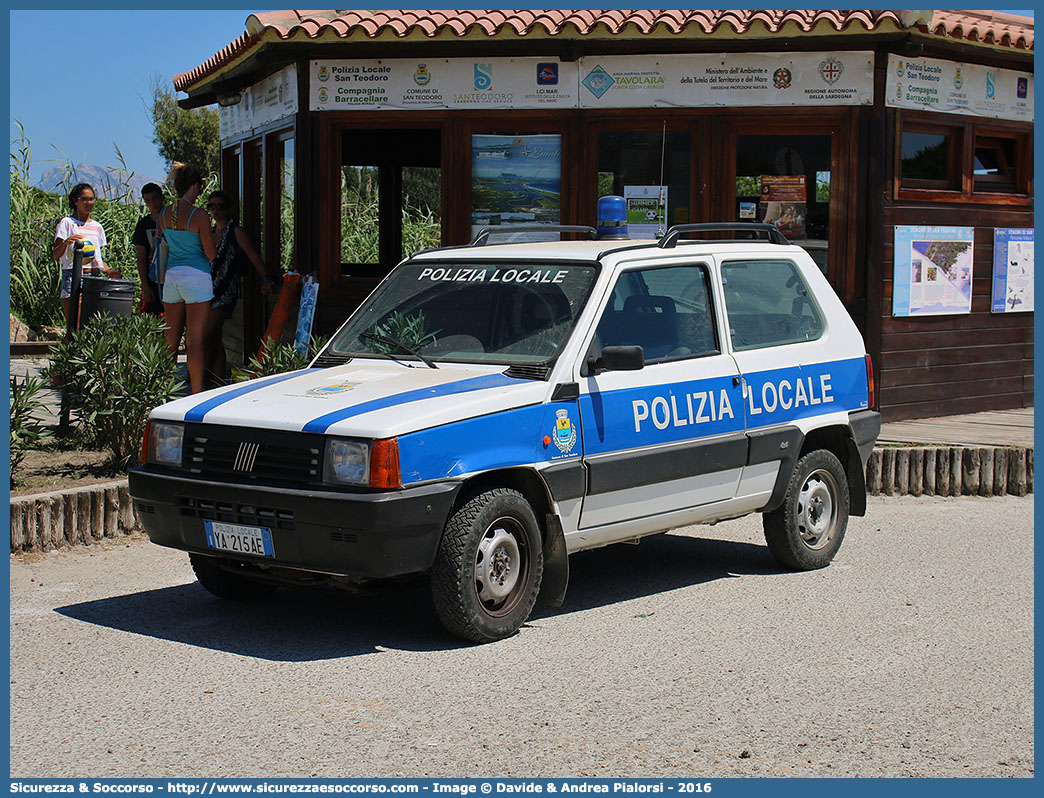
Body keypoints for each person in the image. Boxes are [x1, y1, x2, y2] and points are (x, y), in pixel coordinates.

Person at [205, 189, 277, 385]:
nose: (216, 211)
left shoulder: (235, 231)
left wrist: (266, 277)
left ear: (228, 209)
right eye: (212, 206)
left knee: (207, 333)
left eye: (220, 206)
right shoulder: (210, 233)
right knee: (215, 337)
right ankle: (218, 380)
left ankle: (209, 377)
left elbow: (253, 255)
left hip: (226, 290)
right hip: (208, 290)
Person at [160, 163, 218, 394]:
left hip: (172, 276)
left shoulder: (164, 213)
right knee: (195, 341)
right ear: (194, 186)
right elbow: (210, 253)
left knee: (170, 341)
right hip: (196, 276)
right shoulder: (199, 215)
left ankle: (163, 389)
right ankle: (195, 392)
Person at [52, 183, 120, 323]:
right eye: (84, 199)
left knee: (90, 323)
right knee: (75, 324)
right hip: (72, 276)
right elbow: (55, 255)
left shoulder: (97, 227)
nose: (88, 203)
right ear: (75, 201)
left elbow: (97, 259)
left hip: (93, 277)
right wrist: (66, 243)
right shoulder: (67, 223)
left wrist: (109, 271)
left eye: (91, 199)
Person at [132, 183, 166, 315]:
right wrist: (145, 286)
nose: (152, 203)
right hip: (153, 278)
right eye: (148, 200)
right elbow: (141, 257)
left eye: (155, 198)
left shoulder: (172, 220)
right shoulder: (143, 225)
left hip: (172, 275)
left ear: (162, 198)